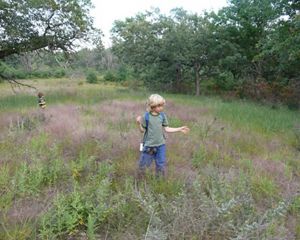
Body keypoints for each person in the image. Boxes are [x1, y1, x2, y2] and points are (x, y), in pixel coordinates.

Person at [136, 94, 189, 177]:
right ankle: (140, 179)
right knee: (143, 165)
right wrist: (139, 123)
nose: (162, 108)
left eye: (162, 105)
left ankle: (159, 181)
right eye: (159, 106)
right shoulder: (146, 116)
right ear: (153, 106)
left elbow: (167, 129)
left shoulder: (162, 116)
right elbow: (142, 130)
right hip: (149, 146)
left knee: (161, 164)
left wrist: (179, 129)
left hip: (161, 145)